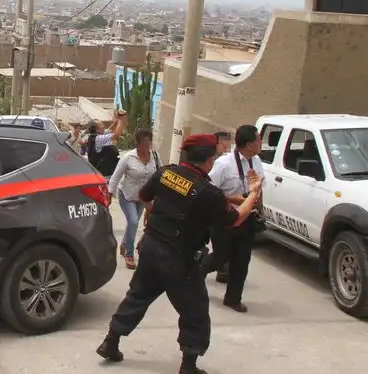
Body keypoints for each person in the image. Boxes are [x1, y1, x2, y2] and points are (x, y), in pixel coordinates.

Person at [96, 134, 263, 374]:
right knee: (195, 309)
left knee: (137, 296)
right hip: (180, 258)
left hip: (152, 247)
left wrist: (160, 215)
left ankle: (110, 342)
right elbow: (235, 220)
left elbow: (144, 198)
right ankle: (189, 365)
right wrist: (254, 193)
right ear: (210, 159)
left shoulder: (166, 173)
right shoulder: (207, 192)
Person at [201, 125, 265, 311]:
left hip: (247, 217)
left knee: (242, 260)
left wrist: (258, 201)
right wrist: (231, 198)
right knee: (221, 257)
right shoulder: (224, 164)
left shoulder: (257, 162)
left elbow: (260, 186)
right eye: (258, 140)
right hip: (226, 217)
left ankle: (233, 298)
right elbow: (208, 189)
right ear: (248, 144)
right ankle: (197, 272)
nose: (261, 143)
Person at [107, 128, 161, 269]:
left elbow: (160, 174)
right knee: (133, 220)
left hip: (144, 197)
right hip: (127, 195)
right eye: (144, 143)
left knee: (133, 224)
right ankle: (129, 254)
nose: (147, 146)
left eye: (149, 142)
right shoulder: (128, 158)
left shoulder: (154, 156)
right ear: (137, 143)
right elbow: (115, 177)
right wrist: (109, 194)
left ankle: (125, 243)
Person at [86, 113, 127, 177]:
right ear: (96, 129)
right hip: (104, 173)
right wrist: (121, 120)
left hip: (106, 170)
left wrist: (118, 118)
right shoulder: (98, 139)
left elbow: (110, 129)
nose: (104, 125)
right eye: (101, 124)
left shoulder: (97, 135)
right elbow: (116, 135)